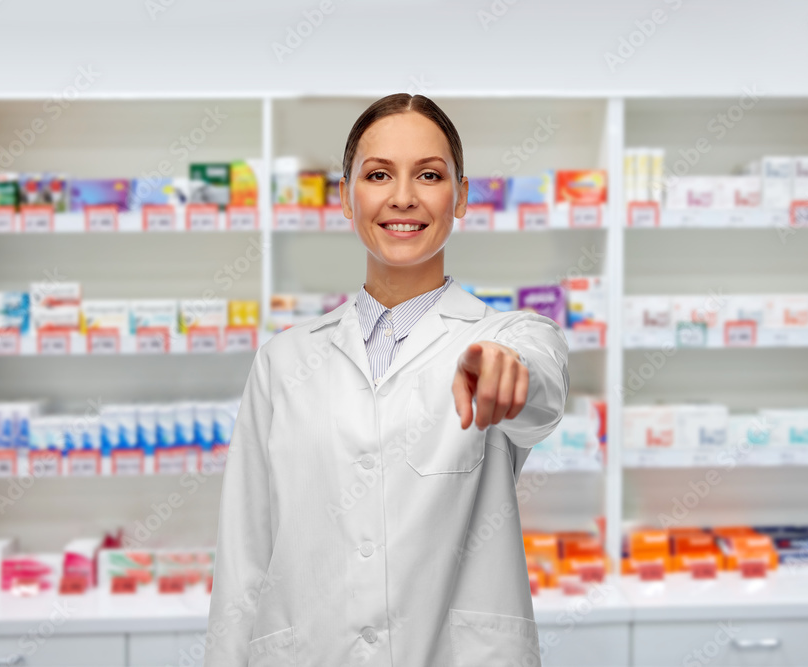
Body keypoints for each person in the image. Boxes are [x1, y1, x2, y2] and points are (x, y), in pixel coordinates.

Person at [206, 93, 569, 667]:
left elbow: (540, 391)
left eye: (429, 174)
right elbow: (243, 558)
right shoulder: (283, 361)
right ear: (347, 199)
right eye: (378, 175)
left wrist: (508, 370)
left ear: (462, 197)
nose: (404, 197)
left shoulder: (506, 335)